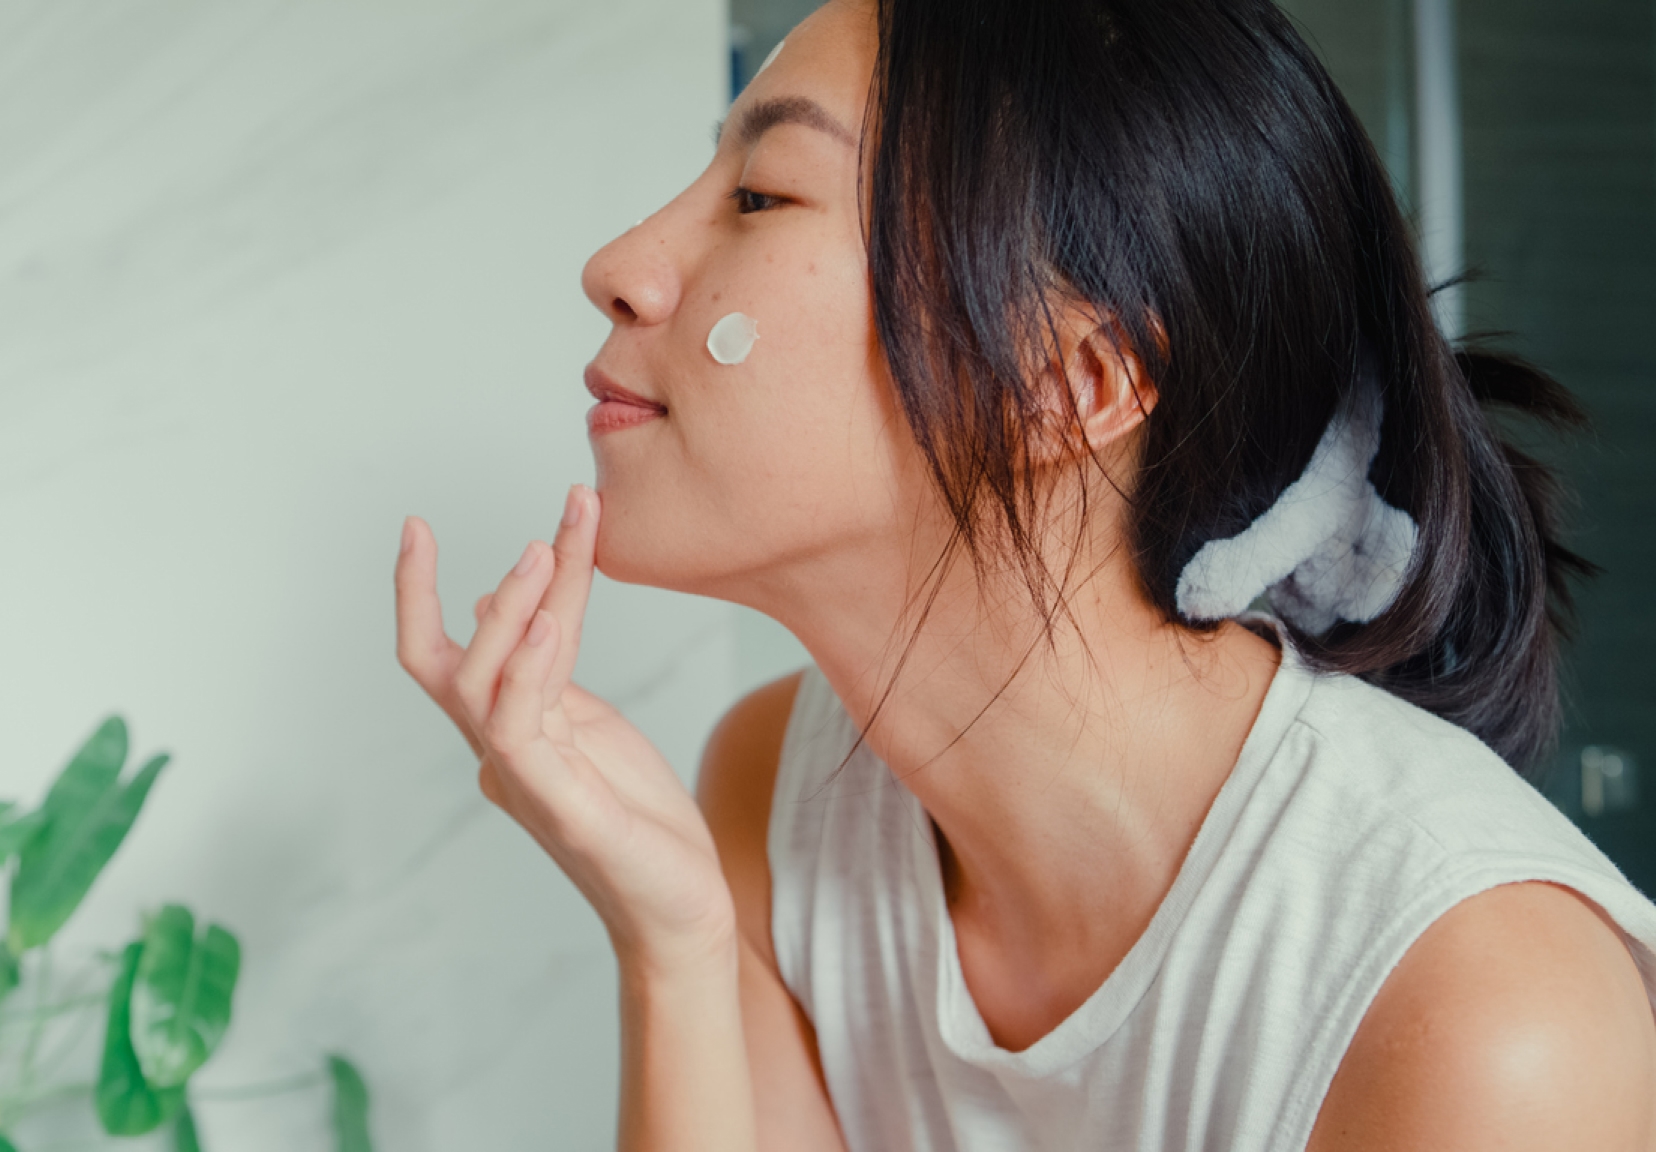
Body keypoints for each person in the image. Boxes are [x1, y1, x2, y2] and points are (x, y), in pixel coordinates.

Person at [394, 0, 1656, 1147]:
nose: (617, 263)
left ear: (1072, 384)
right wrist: (671, 946)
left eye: (762, 194)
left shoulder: (1483, 1011)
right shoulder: (773, 795)